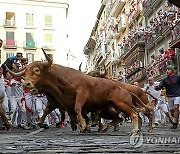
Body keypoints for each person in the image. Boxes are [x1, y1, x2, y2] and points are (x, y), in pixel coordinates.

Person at [155, 65, 180, 129]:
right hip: (169, 96)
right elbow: (160, 86)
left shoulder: (177, 77)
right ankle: (176, 119)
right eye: (166, 69)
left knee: (176, 107)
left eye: (169, 69)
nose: (167, 71)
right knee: (172, 113)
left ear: (172, 70)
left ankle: (175, 123)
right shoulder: (164, 80)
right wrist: (157, 88)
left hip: (177, 95)